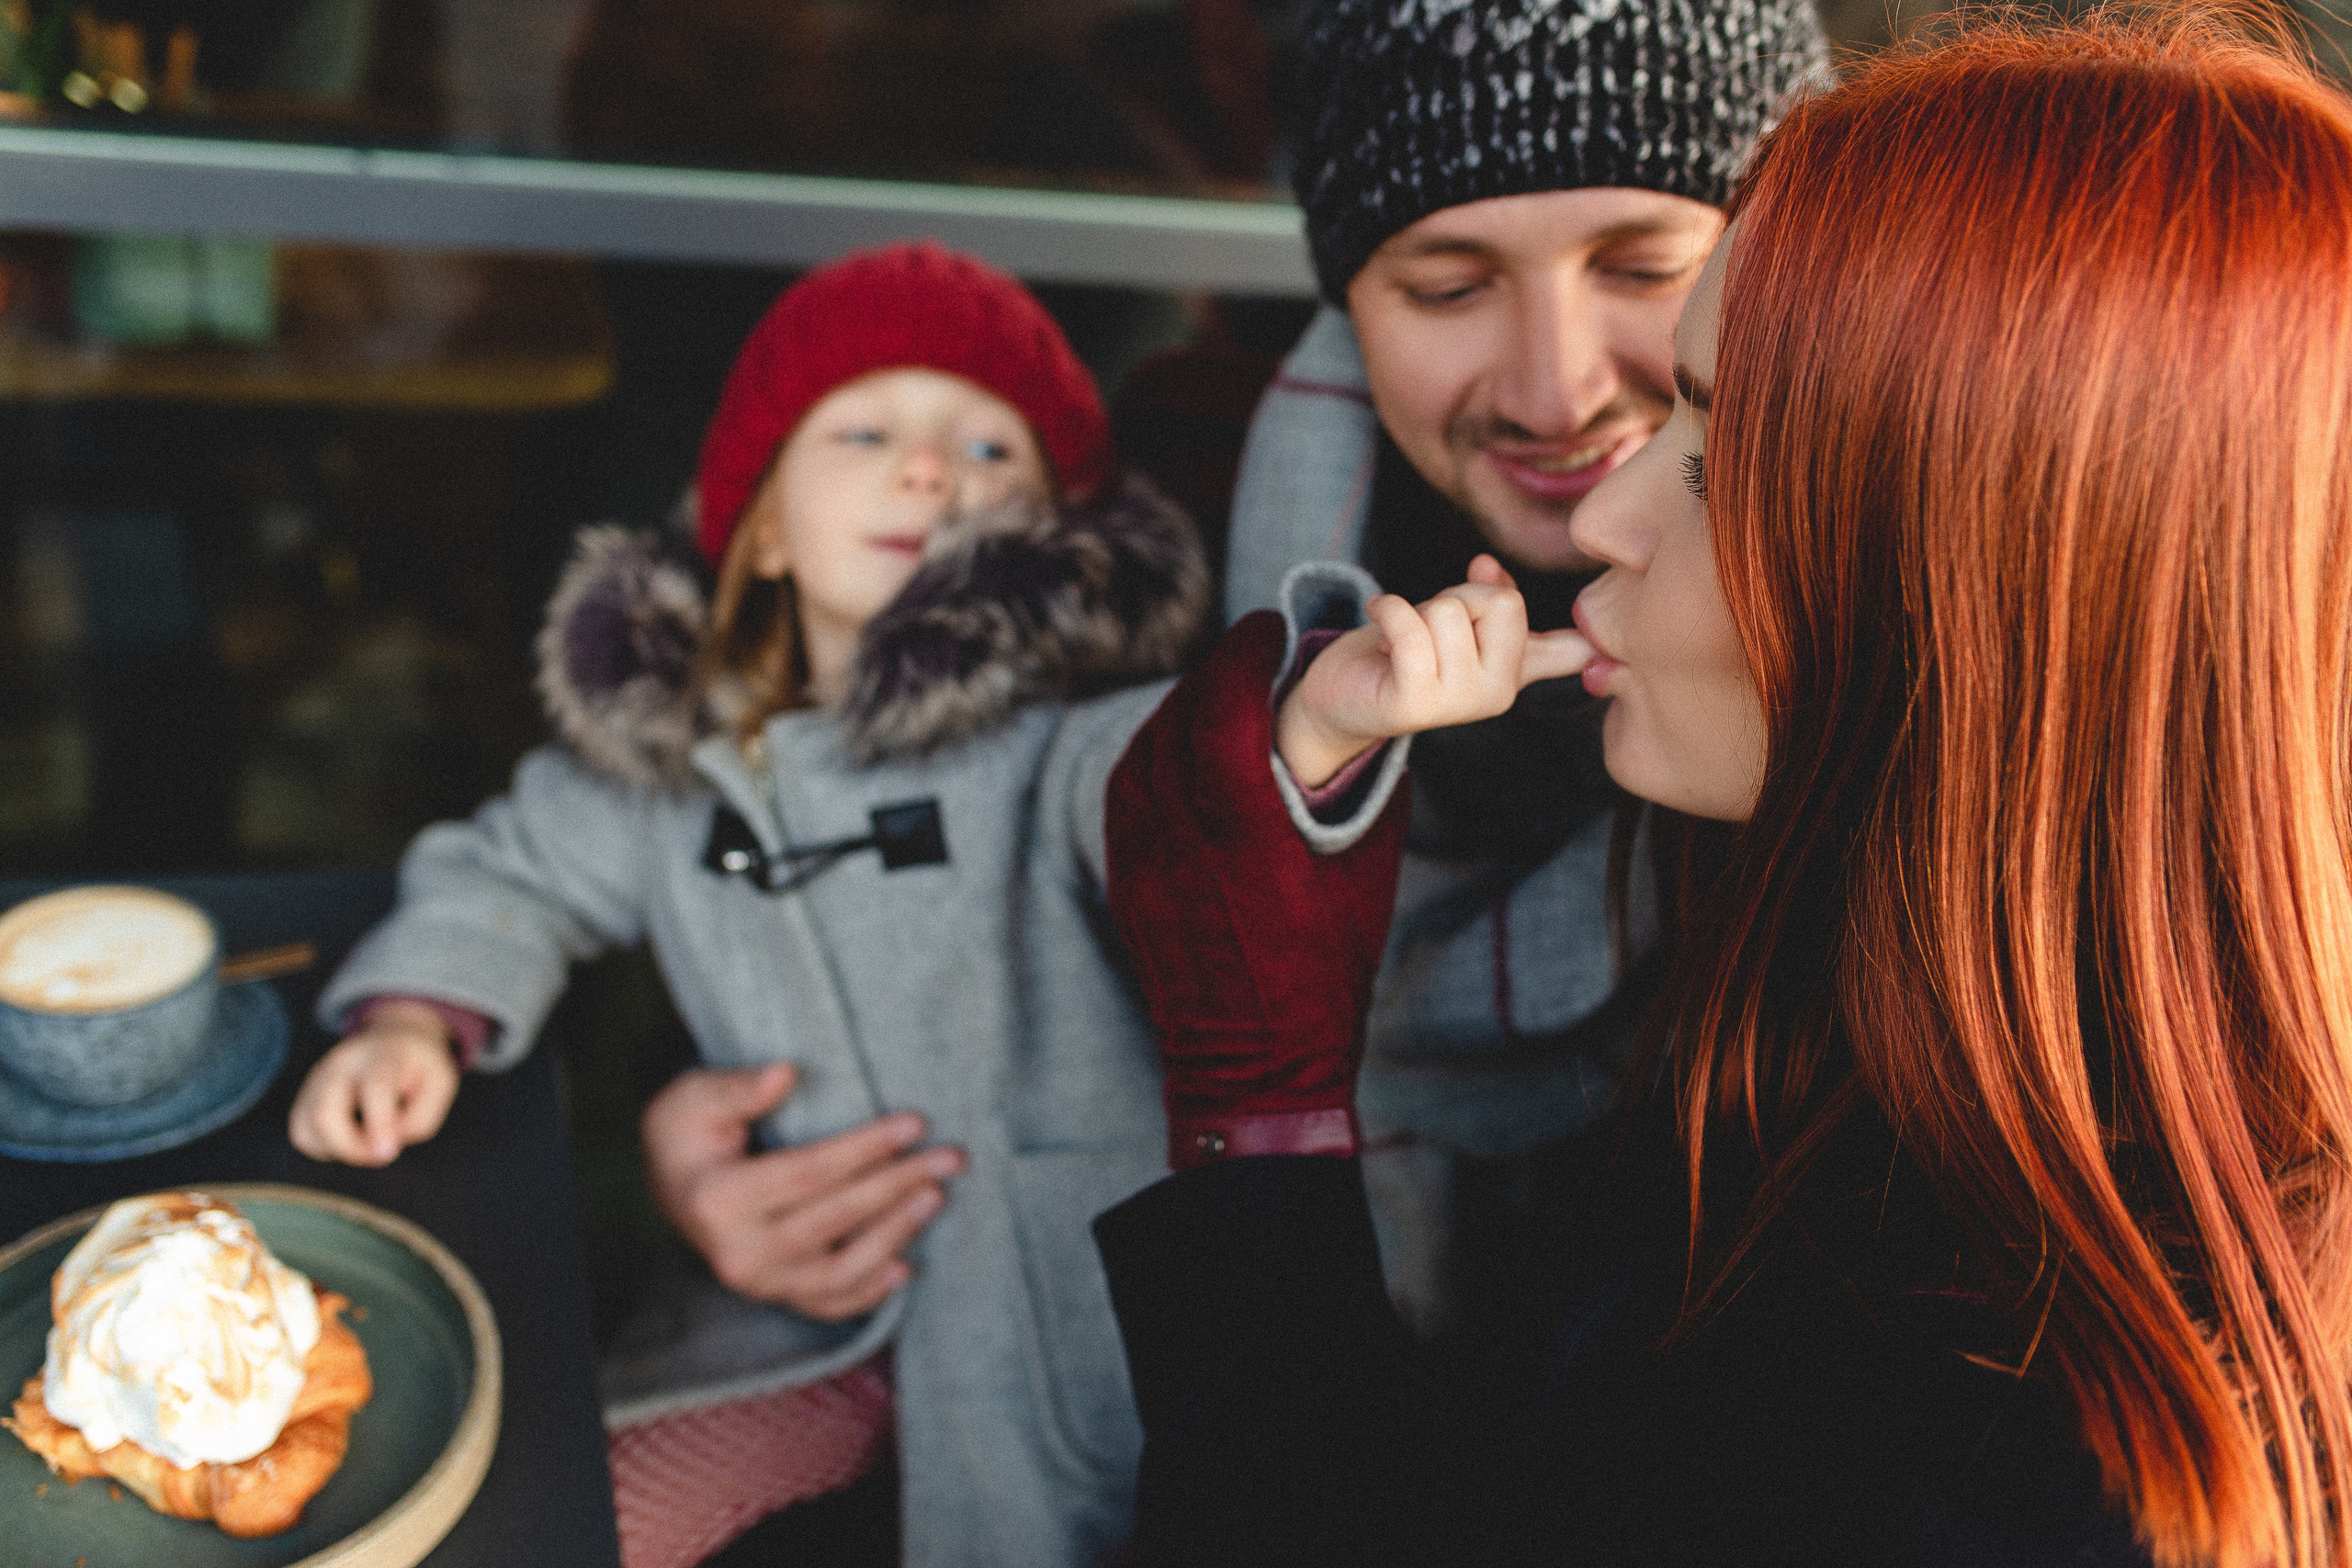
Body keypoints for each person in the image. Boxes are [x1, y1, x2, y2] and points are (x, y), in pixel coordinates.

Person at [1096, 12, 2352, 1565]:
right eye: (1443, 281)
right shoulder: (1847, 1046)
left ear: (1991, 583)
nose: (1597, 486)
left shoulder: (2004, 1448)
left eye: (1717, 449)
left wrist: (1256, 1112)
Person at [287, 243, 1208, 1568]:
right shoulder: (673, 768)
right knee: (581, 1520)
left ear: (1059, 532)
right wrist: (417, 1019)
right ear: (763, 525)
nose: (929, 471)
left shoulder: (1072, 747)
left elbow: (1198, 782)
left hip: (1056, 1336)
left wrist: (1309, 724)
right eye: (870, 429)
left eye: (991, 450)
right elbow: (512, 871)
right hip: (796, 1326)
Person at [1223, 0, 1828, 1328]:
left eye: (1640, 265)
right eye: (1447, 286)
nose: (1556, 395)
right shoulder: (1165, 550)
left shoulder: (1912, 641)